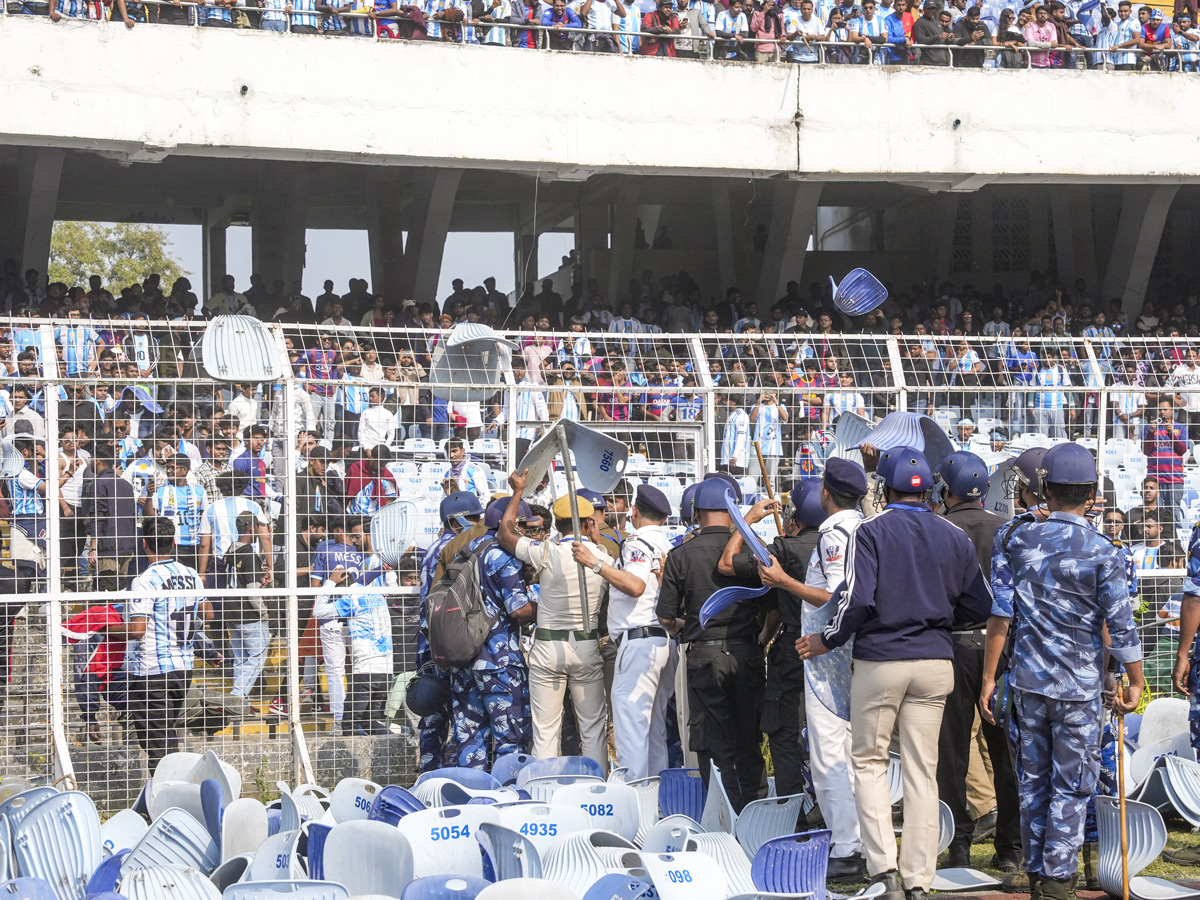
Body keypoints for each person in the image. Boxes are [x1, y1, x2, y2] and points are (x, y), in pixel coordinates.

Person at [797, 447, 992, 900]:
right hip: (935, 660)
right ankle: (919, 879)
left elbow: (857, 601)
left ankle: (883, 870)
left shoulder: (871, 529)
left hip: (882, 659)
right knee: (923, 771)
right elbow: (981, 604)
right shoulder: (952, 533)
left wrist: (828, 639)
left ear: (884, 488)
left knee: (869, 763)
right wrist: (938, 621)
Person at [983, 442, 1144, 900]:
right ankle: (1056, 879)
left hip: (1028, 683)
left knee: (1033, 783)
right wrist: (1134, 680)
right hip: (1078, 688)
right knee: (1071, 786)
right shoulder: (1106, 551)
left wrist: (989, 678)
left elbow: (1001, 613)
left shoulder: (1015, 538)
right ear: (1092, 494)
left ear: (1045, 488)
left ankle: (1039, 872)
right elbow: (1120, 625)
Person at [757, 459, 869, 880]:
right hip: (856, 652)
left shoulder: (835, 532)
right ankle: (861, 842)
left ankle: (847, 847)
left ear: (827, 492)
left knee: (830, 756)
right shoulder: (865, 526)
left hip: (831, 654)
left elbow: (839, 595)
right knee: (855, 755)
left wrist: (784, 581)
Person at [657, 477, 769, 813]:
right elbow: (772, 607)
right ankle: (755, 814)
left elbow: (665, 617)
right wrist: (760, 639)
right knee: (749, 739)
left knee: (713, 743)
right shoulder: (753, 549)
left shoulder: (680, 555)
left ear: (696, 512)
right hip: (747, 651)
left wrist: (686, 626)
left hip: (704, 654)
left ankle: (724, 816)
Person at [932, 453, 1021, 872]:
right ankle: (1011, 848)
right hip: (1001, 646)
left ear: (945, 488)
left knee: (951, 754)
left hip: (952, 644)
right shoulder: (1006, 527)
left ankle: (959, 846)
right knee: (1005, 752)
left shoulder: (938, 528)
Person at [718, 481, 824, 801]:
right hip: (834, 645)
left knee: (784, 732)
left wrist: (747, 520)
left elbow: (727, 563)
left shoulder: (785, 548)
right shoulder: (840, 543)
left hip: (793, 647)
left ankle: (793, 812)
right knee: (830, 734)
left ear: (795, 515)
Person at [500, 474, 610, 767]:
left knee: (546, 732)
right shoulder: (603, 558)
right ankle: (598, 784)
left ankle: (542, 788)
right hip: (586, 646)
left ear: (557, 525)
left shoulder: (547, 551)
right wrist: (597, 541)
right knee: (593, 730)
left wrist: (518, 492)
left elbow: (505, 535)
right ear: (589, 523)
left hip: (549, 647)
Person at [574, 484, 675, 781]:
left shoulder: (637, 543)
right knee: (654, 731)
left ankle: (635, 800)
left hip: (639, 642)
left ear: (634, 512)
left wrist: (595, 563)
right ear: (664, 518)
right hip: (663, 640)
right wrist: (603, 554)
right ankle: (655, 799)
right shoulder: (667, 544)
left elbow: (635, 585)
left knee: (631, 732)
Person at [120, 516, 214, 770]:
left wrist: (106, 628)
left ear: (144, 543)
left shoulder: (144, 580)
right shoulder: (191, 574)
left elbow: (137, 630)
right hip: (183, 667)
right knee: (164, 736)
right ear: (173, 543)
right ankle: (169, 782)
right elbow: (208, 613)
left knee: (158, 746)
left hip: (154, 668)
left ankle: (169, 788)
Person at [450, 496, 536, 769]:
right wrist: (548, 606)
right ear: (512, 524)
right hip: (500, 660)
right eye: (524, 526)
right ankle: (509, 791)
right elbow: (518, 609)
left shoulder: (467, 550)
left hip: (464, 657)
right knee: (511, 738)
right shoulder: (503, 554)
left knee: (470, 739)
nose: (527, 532)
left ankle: (472, 790)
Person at [416, 492, 482, 771]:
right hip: (451, 641)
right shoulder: (457, 548)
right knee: (463, 713)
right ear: (456, 522)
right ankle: (458, 775)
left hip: (429, 641)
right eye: (473, 518)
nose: (478, 524)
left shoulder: (433, 548)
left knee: (433, 714)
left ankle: (429, 774)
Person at [312, 557, 396, 735]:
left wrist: (329, 583)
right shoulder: (378, 596)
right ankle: (393, 742)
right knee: (370, 723)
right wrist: (380, 569)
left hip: (365, 672)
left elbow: (318, 612)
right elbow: (363, 580)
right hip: (387, 672)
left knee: (349, 726)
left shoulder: (350, 600)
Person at [310, 517, 365, 733]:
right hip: (359, 616)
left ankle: (340, 720)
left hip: (331, 616)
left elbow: (314, 585)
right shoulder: (363, 554)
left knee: (335, 670)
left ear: (340, 530)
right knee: (360, 668)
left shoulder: (325, 552)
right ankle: (361, 718)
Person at [221, 512, 272, 700]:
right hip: (250, 616)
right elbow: (252, 591)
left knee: (241, 660)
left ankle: (239, 701)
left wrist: (258, 574)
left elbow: (241, 579)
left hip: (232, 613)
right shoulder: (250, 554)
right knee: (256, 659)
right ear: (252, 528)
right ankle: (236, 696)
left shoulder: (230, 551)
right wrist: (263, 612)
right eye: (258, 527)